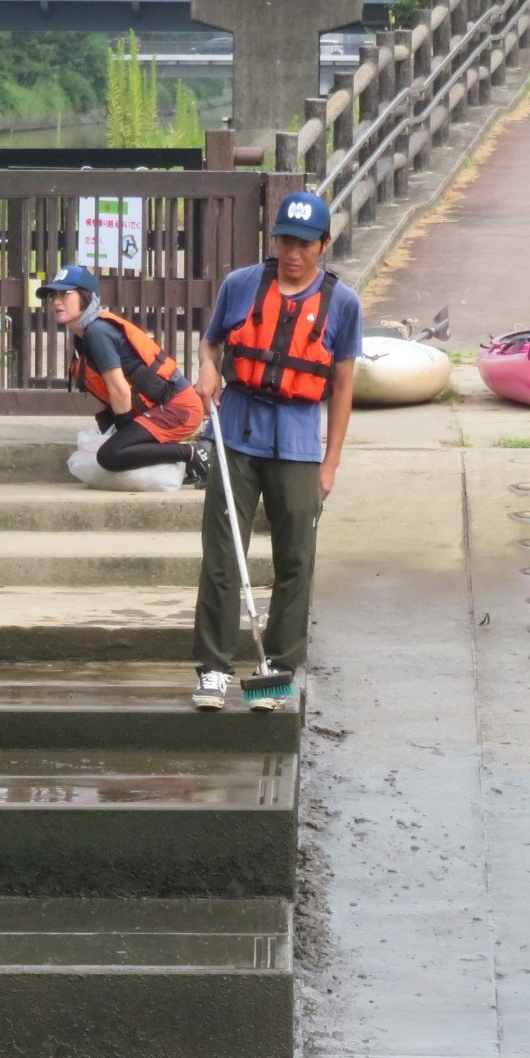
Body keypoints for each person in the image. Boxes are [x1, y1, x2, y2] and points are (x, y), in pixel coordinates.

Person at [190, 190, 361, 709]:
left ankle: (279, 666)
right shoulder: (241, 285)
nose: (293, 252)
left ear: (324, 244)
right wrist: (207, 366)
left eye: (305, 243)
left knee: (295, 559)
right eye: (286, 239)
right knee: (223, 555)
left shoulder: (343, 303)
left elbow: (344, 386)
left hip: (299, 447)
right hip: (237, 434)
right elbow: (211, 341)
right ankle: (214, 669)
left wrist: (331, 462)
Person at [35, 264, 211, 485]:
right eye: (53, 295)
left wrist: (124, 438)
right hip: (160, 410)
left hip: (178, 408)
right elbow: (100, 396)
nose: (56, 301)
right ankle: (183, 461)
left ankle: (191, 454)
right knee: (114, 451)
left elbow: (120, 390)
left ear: (86, 296)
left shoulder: (98, 333)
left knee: (110, 456)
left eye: (65, 294)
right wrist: (113, 434)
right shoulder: (82, 338)